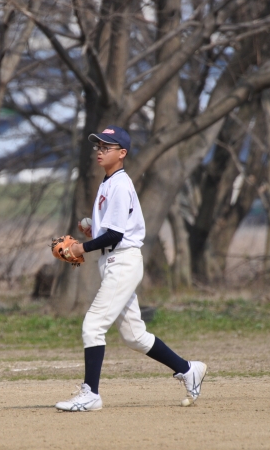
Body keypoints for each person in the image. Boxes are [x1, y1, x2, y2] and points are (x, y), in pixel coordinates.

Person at [54, 125, 207, 412]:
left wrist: (80, 248)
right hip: (115, 261)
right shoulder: (108, 183)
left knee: (93, 326)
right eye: (98, 146)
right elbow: (111, 231)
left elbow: (115, 236)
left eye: (107, 147)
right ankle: (188, 369)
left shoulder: (120, 185)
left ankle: (91, 394)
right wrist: (93, 231)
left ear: (122, 153)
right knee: (134, 336)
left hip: (122, 261)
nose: (100, 151)